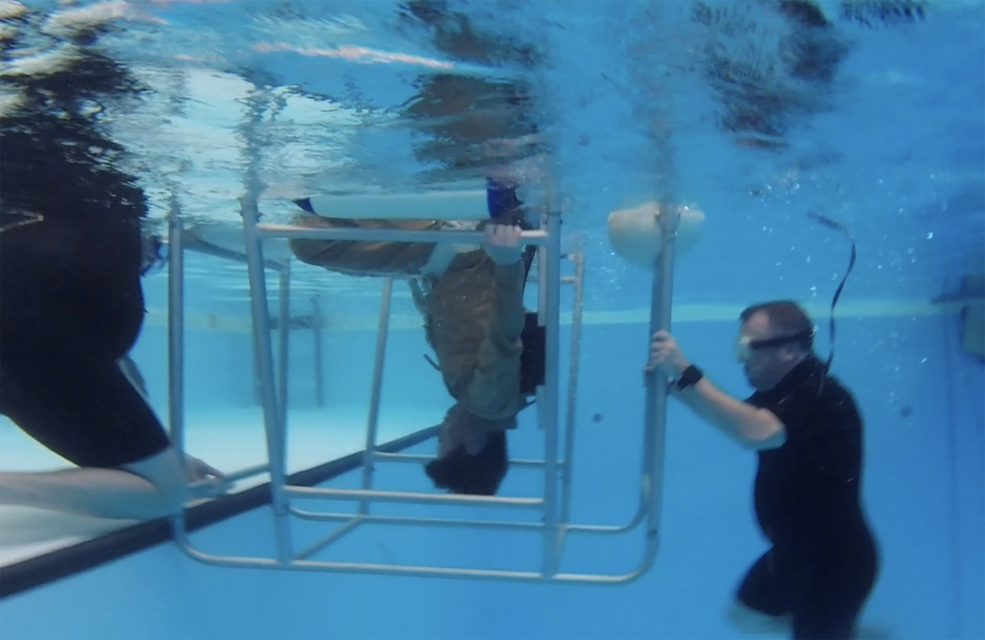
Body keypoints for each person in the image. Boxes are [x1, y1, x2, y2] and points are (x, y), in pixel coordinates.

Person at [0, 21, 226, 521]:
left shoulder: (80, 268)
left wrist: (160, 453)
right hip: (23, 333)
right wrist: (159, 464)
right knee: (162, 496)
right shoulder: (80, 255)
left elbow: (100, 380)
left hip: (27, 332)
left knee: (159, 479)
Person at [645, 300, 880, 640]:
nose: (741, 359)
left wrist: (684, 370)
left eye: (746, 349)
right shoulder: (781, 394)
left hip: (834, 565)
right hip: (793, 555)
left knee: (808, 628)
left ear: (787, 349)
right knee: (745, 616)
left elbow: (754, 431)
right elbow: (730, 418)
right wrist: (675, 387)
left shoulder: (819, 395)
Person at [289, 193, 541, 496]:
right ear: (473, 445)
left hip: (456, 262)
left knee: (347, 242)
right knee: (308, 244)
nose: (441, 431)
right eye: (443, 443)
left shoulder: (496, 404)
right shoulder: (487, 401)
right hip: (462, 258)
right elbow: (504, 331)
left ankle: (372, 213)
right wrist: (508, 263)